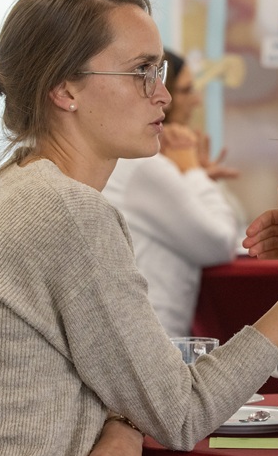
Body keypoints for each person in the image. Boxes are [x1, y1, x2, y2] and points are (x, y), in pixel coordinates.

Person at [0, 0, 278, 456]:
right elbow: (183, 413)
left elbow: (114, 378)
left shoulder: (21, 185)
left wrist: (123, 422)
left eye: (160, 70)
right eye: (140, 72)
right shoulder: (66, 212)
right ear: (65, 89)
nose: (162, 96)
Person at [103, 48, 245, 337]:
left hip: (146, 332)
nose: (195, 100)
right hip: (152, 336)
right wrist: (192, 171)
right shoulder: (142, 165)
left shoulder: (147, 163)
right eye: (185, 90)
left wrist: (196, 176)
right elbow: (219, 241)